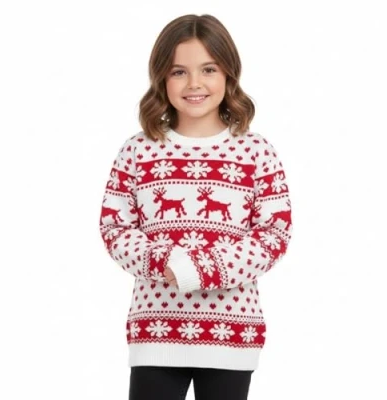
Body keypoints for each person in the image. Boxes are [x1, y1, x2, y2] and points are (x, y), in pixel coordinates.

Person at [99, 13, 293, 400]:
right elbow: (115, 228)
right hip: (157, 330)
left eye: (208, 69)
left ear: (228, 73)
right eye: (178, 72)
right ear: (161, 78)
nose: (194, 84)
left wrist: (197, 268)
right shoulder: (138, 151)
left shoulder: (256, 152)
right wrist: (165, 262)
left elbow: (273, 235)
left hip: (230, 332)